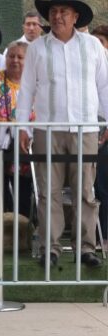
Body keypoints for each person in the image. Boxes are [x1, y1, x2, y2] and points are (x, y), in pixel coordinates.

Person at [17, 0, 108, 268]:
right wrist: (23, 127)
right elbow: (27, 89)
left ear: (75, 16)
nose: (57, 16)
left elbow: (104, 86)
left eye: (63, 12)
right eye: (53, 12)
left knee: (85, 192)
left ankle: (86, 248)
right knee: (49, 191)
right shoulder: (37, 48)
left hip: (85, 127)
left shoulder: (93, 46)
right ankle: (50, 248)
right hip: (48, 128)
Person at [0, 41, 34, 218]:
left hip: (27, 151)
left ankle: (24, 228)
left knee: (24, 194)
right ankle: (0, 230)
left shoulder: (37, 83)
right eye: (11, 56)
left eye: (20, 57)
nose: (15, 60)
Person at [93, 25, 108, 250]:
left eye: (101, 43)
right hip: (90, 134)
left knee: (104, 185)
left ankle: (104, 235)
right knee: (96, 188)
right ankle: (97, 236)